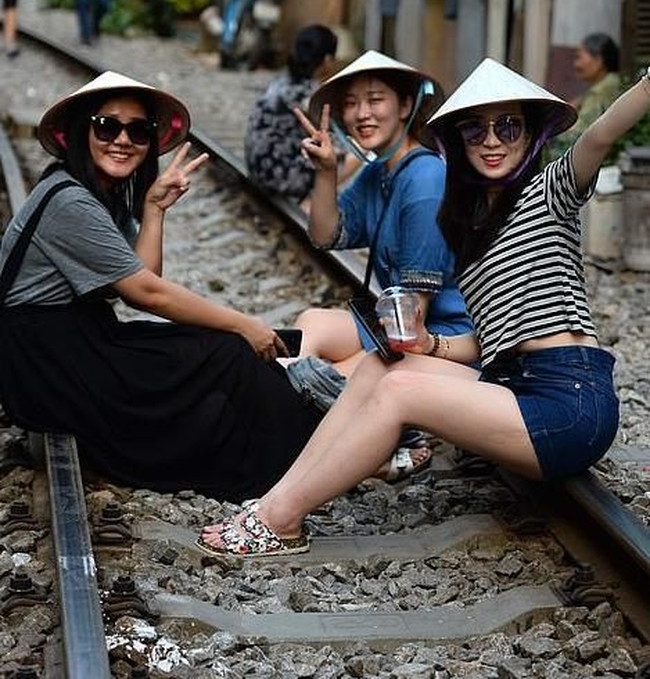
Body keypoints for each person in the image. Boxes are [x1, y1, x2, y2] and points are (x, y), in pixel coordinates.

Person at [196, 54, 642, 557]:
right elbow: (493, 335)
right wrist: (429, 344)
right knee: (382, 364)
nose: (492, 141)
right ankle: (277, 500)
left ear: (532, 134)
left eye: (508, 127)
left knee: (402, 390)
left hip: (570, 398)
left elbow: (599, 137)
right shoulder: (469, 224)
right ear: (458, 140)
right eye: (475, 130)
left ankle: (281, 518)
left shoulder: (548, 193)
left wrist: (646, 86)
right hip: (513, 384)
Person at [0, 70, 322, 501]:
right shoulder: (70, 201)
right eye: (107, 125)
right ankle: (304, 460)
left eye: (139, 130)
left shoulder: (97, 195)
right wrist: (243, 323)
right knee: (224, 350)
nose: (123, 139)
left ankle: (304, 450)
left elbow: (144, 278)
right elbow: (147, 295)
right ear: (82, 131)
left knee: (214, 351)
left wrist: (154, 209)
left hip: (73, 342)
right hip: (47, 360)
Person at [288, 50, 473, 383]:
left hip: (441, 339)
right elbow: (323, 235)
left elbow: (412, 319)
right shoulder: (377, 172)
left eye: (375, 100)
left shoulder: (426, 180)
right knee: (312, 323)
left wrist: (346, 367)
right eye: (350, 103)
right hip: (397, 323)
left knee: (324, 379)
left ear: (404, 106)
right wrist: (326, 171)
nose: (362, 114)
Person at [245, 24, 351, 209]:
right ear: (327, 60)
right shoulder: (310, 95)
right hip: (280, 179)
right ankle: (313, 203)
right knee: (357, 150)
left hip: (257, 170)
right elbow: (336, 144)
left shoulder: (281, 82)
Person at [554, 33, 621, 154]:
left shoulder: (603, 90)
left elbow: (579, 132)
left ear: (598, 60)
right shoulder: (607, 83)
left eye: (579, 57)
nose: (576, 65)